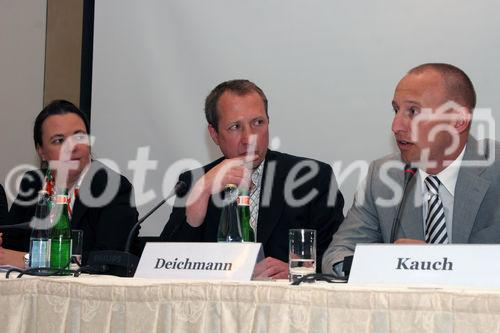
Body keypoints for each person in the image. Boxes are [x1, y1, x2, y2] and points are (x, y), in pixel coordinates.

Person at [322, 63, 500, 274]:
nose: (396, 126)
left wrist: (432, 263)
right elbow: (337, 254)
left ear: (458, 120)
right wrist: (390, 263)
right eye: (396, 110)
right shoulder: (383, 176)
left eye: (413, 111)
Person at [160, 79, 344, 279]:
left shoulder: (311, 178)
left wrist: (299, 271)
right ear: (214, 134)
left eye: (258, 123)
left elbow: (335, 254)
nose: (250, 138)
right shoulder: (195, 181)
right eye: (235, 126)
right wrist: (201, 194)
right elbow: (163, 266)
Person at [0, 100, 139, 268]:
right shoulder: (34, 183)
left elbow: (109, 259)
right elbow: (8, 247)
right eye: (59, 140)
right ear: (41, 151)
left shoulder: (112, 187)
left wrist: (30, 260)